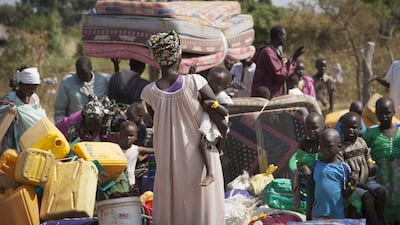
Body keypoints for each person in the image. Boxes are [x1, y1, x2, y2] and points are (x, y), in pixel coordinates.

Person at [141, 30, 227, 225]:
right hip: (200, 157)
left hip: (169, 162)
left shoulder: (149, 93)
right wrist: (222, 142)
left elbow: (159, 123)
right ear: (179, 55)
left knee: (175, 209)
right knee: (204, 210)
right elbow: (218, 115)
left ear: (157, 60)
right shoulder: (196, 82)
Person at [339, 112, 385, 225]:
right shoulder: (341, 148)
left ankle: (377, 218)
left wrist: (370, 163)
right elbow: (345, 173)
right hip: (353, 185)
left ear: (360, 128)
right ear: (341, 128)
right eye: (347, 127)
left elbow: (367, 155)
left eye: (354, 127)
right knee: (368, 197)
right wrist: (364, 186)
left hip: (368, 180)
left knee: (381, 192)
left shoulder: (361, 142)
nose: (351, 130)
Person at [363, 96, 400, 224]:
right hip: (381, 178)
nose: (384, 116)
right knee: (382, 208)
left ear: (394, 112)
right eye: (380, 112)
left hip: (398, 180)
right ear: (375, 113)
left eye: (388, 112)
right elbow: (361, 149)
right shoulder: (371, 133)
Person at [0, 66, 47, 152]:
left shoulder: (35, 98)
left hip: (35, 144)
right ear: (20, 84)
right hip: (16, 147)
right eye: (29, 87)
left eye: (35, 87)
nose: (33, 91)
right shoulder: (9, 101)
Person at [198, 66, 232, 186]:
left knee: (207, 142)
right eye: (211, 82)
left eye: (218, 84)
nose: (213, 85)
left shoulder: (222, 96)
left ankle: (210, 171)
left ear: (225, 86)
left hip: (216, 123)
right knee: (202, 143)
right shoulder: (208, 91)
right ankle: (210, 172)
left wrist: (214, 104)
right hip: (209, 121)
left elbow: (225, 112)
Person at [310, 128, 353, 219]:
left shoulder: (343, 168)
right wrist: (308, 215)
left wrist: (353, 184)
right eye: (322, 146)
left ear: (339, 147)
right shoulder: (315, 166)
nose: (325, 150)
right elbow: (312, 192)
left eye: (330, 146)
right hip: (318, 215)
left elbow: (346, 195)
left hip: (337, 216)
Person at [251, 25, 304, 98]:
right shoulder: (268, 52)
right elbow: (280, 74)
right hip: (267, 96)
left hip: (273, 95)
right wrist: (293, 59)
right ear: (279, 36)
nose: (285, 39)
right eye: (284, 36)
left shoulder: (273, 51)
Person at [54, 56, 109, 123]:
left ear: (91, 69)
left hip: (97, 126)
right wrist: (61, 126)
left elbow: (108, 106)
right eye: (79, 74)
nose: (81, 76)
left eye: (84, 74)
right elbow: (60, 110)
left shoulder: (102, 82)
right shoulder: (67, 83)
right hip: (74, 126)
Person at [295, 112, 325, 220]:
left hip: (324, 177)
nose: (311, 132)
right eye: (308, 128)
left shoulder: (326, 142)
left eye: (315, 128)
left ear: (323, 127)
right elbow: (299, 162)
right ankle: (309, 220)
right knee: (310, 202)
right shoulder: (304, 144)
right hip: (309, 179)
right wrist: (303, 168)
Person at [118, 120, 154, 188]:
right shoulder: (115, 149)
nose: (128, 138)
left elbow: (154, 151)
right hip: (118, 183)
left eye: (131, 135)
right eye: (125, 135)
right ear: (120, 135)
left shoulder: (136, 149)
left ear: (135, 137)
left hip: (131, 182)